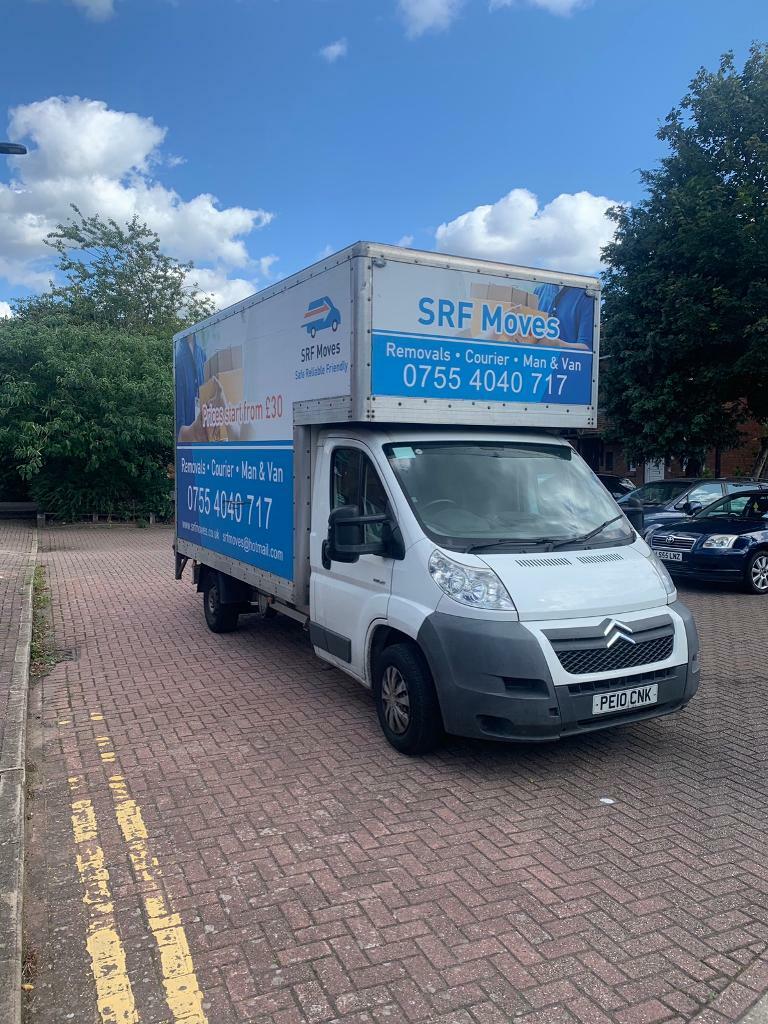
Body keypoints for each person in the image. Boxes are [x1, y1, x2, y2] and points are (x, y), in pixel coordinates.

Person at [534, 284, 593, 350]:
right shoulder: (538, 291)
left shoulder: (587, 294)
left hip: (568, 360)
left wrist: (556, 344)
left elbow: (588, 349)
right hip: (533, 359)